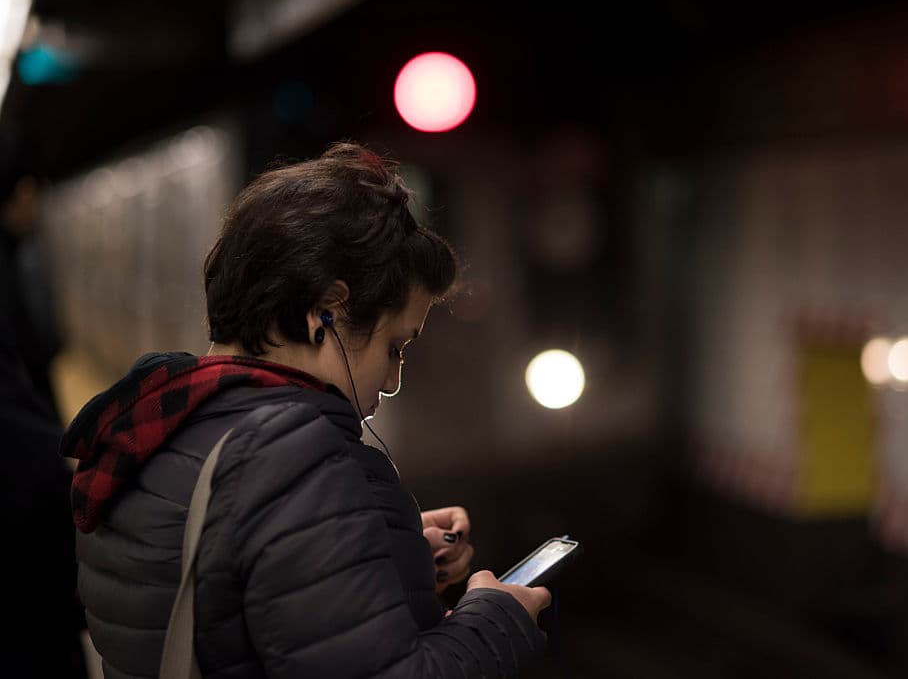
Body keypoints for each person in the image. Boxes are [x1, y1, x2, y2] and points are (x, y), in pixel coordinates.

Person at [61, 143, 551, 678]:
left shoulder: (160, 425)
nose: (392, 381)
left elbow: (240, 605)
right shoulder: (291, 458)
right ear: (328, 312)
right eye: (395, 346)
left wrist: (383, 549)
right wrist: (496, 617)